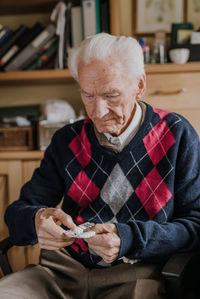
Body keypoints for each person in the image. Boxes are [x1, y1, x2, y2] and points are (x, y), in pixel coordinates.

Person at [0, 33, 200, 299]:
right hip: (60, 272)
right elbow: (17, 212)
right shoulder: (66, 140)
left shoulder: (177, 135)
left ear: (139, 85)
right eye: (88, 95)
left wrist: (128, 238)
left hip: (136, 275)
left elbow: (195, 226)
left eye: (111, 95)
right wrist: (36, 221)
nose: (97, 111)